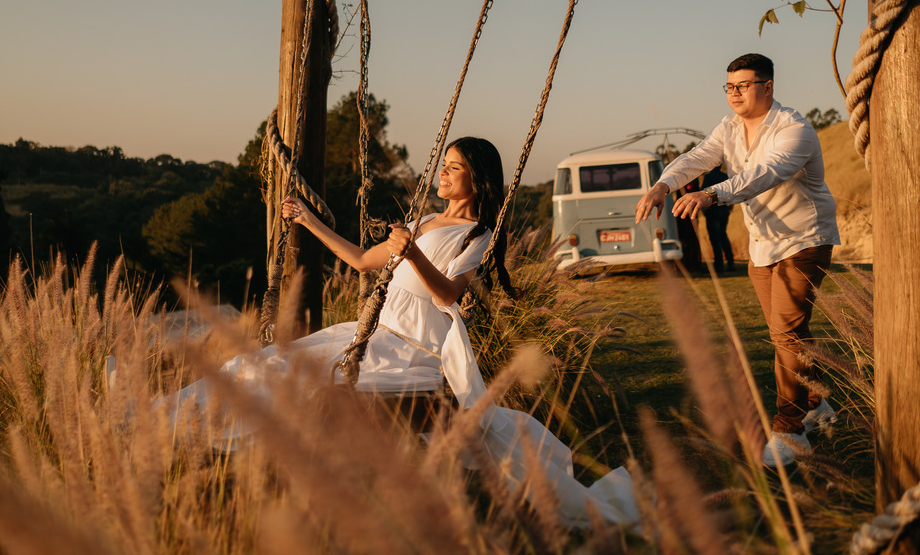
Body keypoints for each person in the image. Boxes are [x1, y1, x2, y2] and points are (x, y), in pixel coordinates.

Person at [161, 137, 640, 528]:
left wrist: (413, 254)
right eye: (444, 165)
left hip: (411, 349)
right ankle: (171, 426)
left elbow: (448, 295)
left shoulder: (478, 235)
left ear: (476, 179)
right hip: (371, 332)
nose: (443, 173)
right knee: (255, 364)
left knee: (307, 384)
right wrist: (307, 220)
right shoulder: (424, 221)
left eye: (454, 167)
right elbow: (360, 260)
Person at [634, 54, 840, 468]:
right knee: (788, 334)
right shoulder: (728, 128)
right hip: (763, 246)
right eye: (729, 86)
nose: (734, 94)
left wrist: (712, 194)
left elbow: (767, 172)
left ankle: (790, 430)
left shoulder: (794, 129)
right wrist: (663, 185)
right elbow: (697, 157)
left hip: (805, 240)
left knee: (786, 333)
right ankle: (817, 403)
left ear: (768, 87)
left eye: (743, 85)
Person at [701, 166, 734, 272]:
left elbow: (705, 193)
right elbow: (731, 191)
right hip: (724, 210)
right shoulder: (725, 176)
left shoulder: (708, 177)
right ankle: (730, 263)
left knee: (715, 239)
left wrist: (704, 210)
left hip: (713, 211)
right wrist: (730, 206)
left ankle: (719, 265)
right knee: (723, 235)